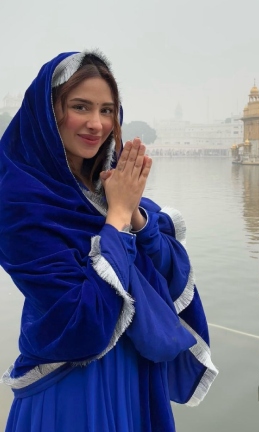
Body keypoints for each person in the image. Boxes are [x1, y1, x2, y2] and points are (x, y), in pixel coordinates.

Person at [0, 51, 217, 431]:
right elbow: (78, 318)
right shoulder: (21, 200)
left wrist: (136, 218)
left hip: (133, 371)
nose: (97, 124)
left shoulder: (106, 187)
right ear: (47, 112)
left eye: (108, 110)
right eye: (80, 107)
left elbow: (166, 278)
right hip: (72, 381)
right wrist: (116, 220)